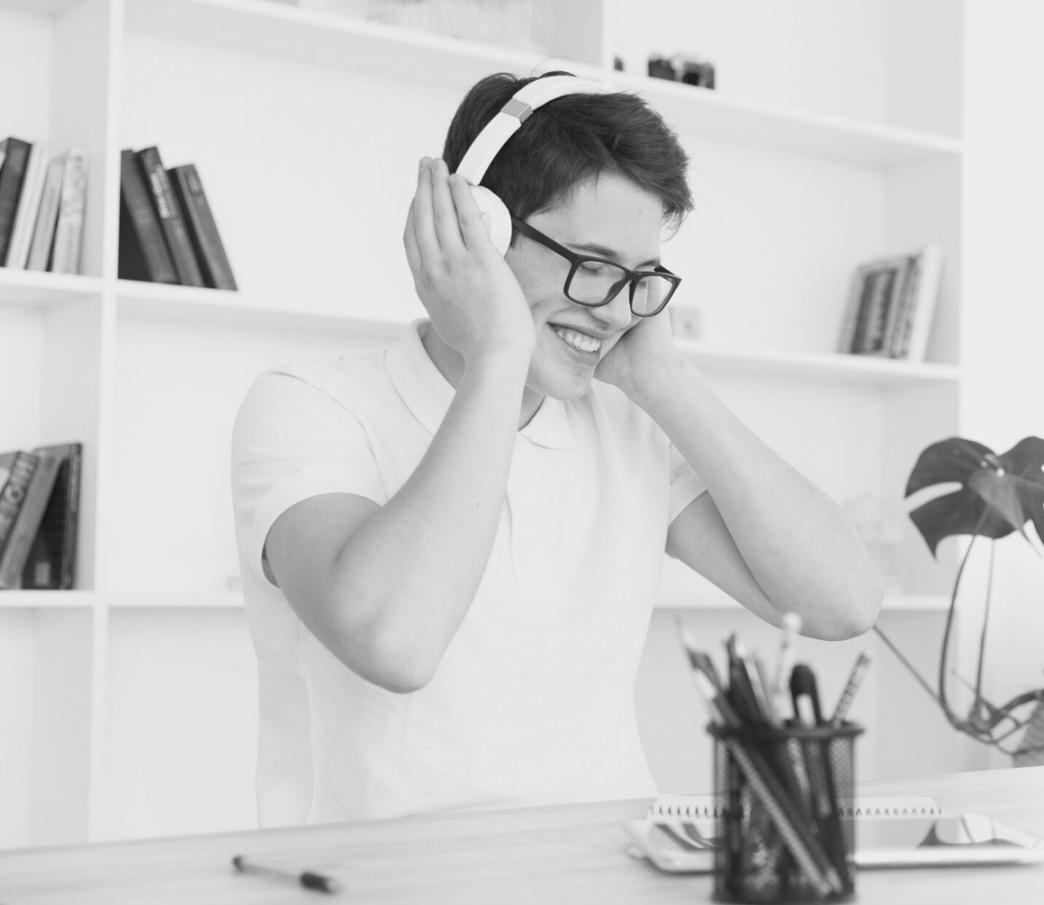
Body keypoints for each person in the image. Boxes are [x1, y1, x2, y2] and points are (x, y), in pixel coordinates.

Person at [231, 71, 883, 827]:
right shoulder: (308, 405)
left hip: (605, 897)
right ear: (480, 230)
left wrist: (666, 377)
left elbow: (843, 604)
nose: (611, 308)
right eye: (592, 265)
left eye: (638, 279)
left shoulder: (625, 421)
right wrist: (499, 350)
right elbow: (396, 644)